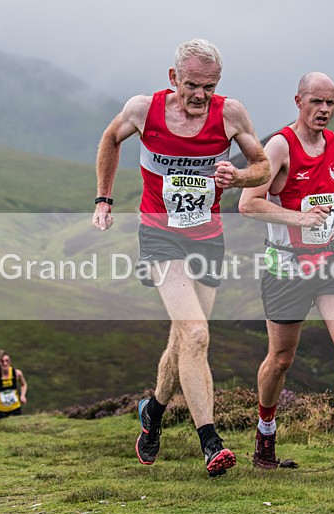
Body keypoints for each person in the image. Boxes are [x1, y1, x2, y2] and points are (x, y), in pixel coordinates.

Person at [92, 38, 269, 477]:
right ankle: (211, 442)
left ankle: (152, 412)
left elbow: (263, 165)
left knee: (183, 340)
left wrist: (240, 175)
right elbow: (110, 139)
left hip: (208, 239)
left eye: (209, 86)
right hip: (159, 238)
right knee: (195, 336)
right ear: (174, 79)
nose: (200, 95)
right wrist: (103, 198)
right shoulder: (143, 110)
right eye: (192, 85)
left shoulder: (230, 114)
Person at [239, 72, 334, 473]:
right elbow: (249, 203)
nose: (323, 110)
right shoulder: (280, 146)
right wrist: (298, 218)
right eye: (316, 102)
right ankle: (265, 433)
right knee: (281, 359)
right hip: (285, 266)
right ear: (299, 101)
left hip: (331, 260)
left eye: (330, 103)